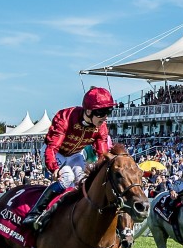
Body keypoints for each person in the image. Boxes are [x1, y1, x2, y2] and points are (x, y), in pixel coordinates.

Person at [23, 87, 114, 230]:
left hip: (75, 154)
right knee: (67, 177)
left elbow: (102, 153)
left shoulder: (101, 127)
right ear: (89, 111)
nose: (106, 117)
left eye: (109, 112)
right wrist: (54, 167)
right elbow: (52, 148)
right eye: (102, 113)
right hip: (55, 152)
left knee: (82, 180)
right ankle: (35, 213)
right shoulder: (65, 117)